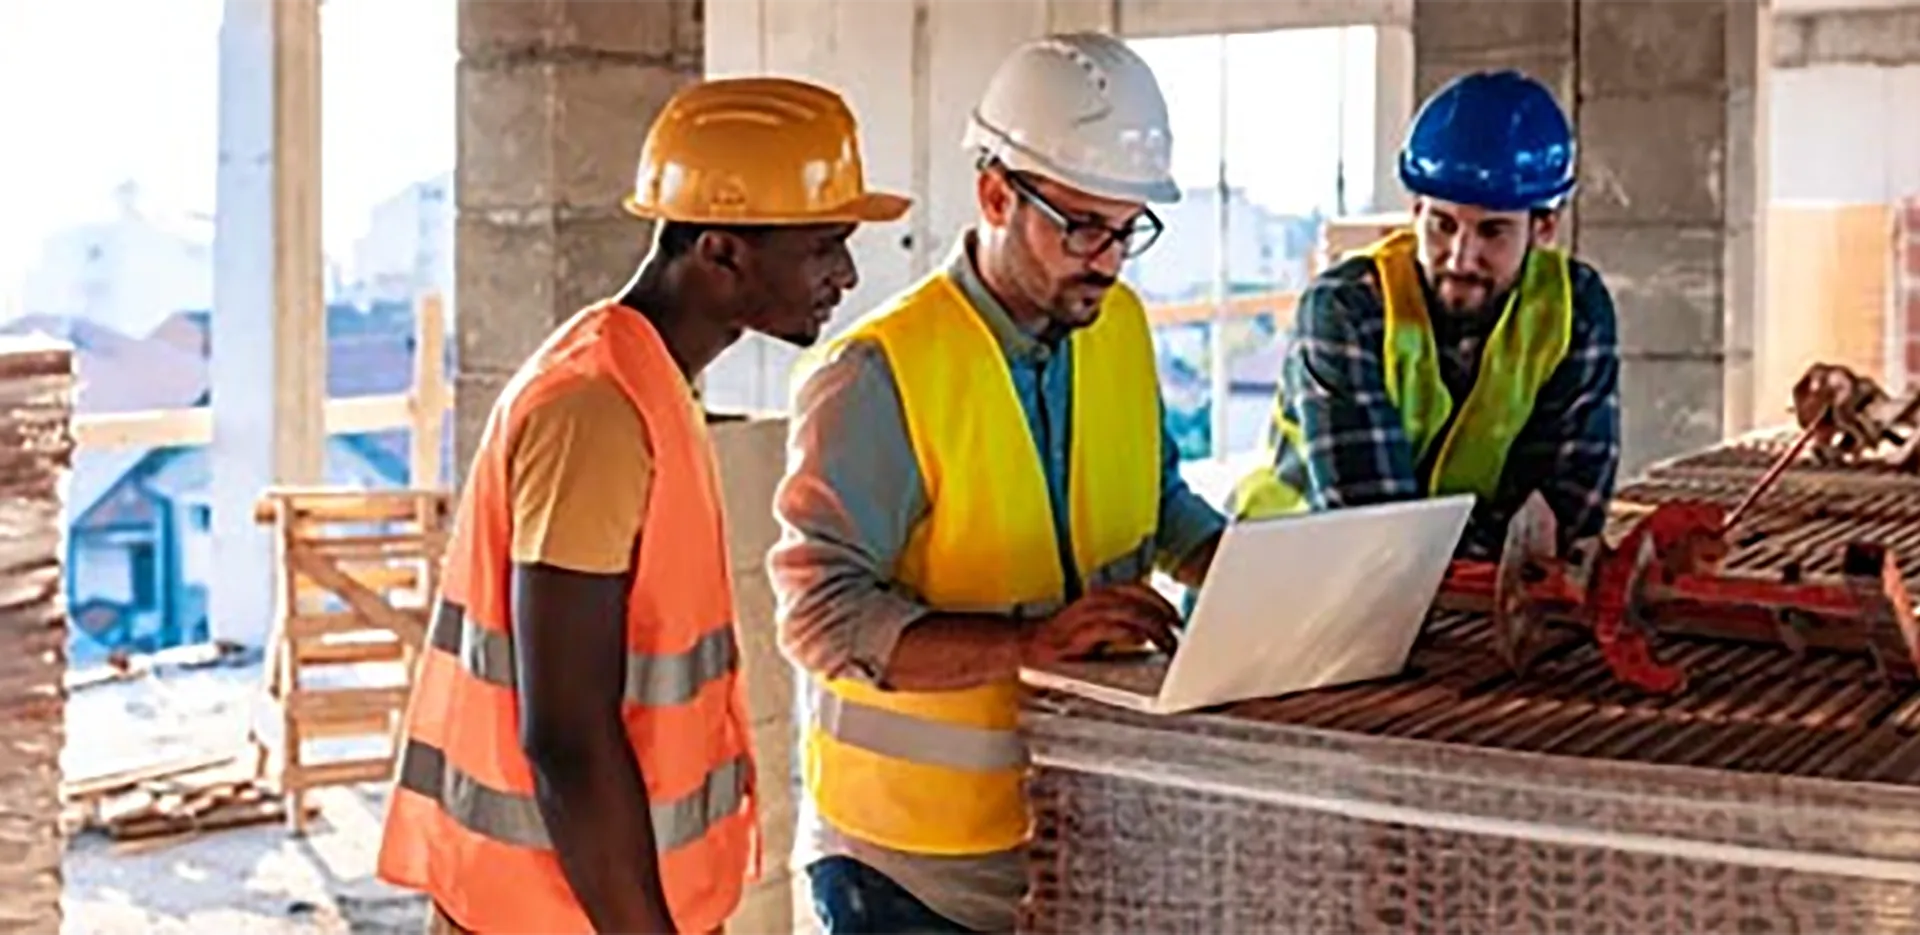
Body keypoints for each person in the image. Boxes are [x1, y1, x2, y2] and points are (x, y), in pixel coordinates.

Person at [375, 76, 908, 935]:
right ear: (721, 251)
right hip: (548, 916)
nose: (844, 274)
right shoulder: (595, 410)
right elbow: (568, 738)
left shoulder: (651, 383)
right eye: (823, 245)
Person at [769, 33, 1226, 934]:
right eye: (1083, 226)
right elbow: (819, 616)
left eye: (1127, 228)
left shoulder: (1120, 326)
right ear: (994, 195)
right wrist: (1032, 642)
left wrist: (1253, 571)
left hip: (1080, 822)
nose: (1107, 258)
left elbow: (1157, 501)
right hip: (908, 870)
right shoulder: (877, 372)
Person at [1230, 69, 1622, 558]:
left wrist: (1524, 549)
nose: (1460, 257)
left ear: (1544, 227)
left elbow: (1566, 515)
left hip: (1446, 592)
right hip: (1281, 581)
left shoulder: (1574, 309)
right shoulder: (1345, 310)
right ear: (1416, 209)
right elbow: (1376, 530)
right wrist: (1510, 547)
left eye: (1492, 231)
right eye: (1442, 225)